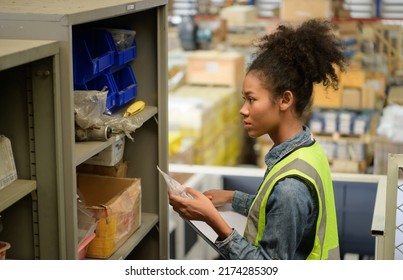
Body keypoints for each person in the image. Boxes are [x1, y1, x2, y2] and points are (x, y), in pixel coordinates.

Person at [169, 18, 347, 260]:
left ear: (285, 100)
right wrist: (233, 198)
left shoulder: (291, 187)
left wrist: (212, 219)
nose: (243, 109)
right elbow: (274, 210)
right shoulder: (307, 151)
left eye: (251, 99)